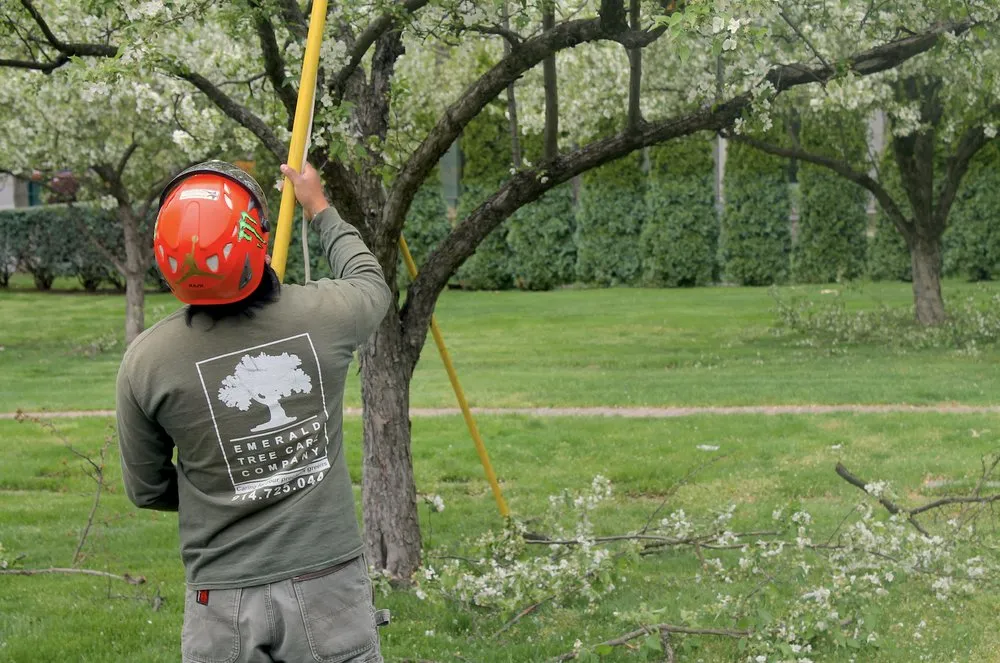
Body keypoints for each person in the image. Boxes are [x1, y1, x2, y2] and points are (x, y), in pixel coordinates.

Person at [115, 160, 391, 663]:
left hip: (219, 602)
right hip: (327, 584)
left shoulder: (146, 363)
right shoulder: (326, 318)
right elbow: (370, 281)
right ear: (255, 240)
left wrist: (226, 491)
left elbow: (146, 489)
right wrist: (318, 206)